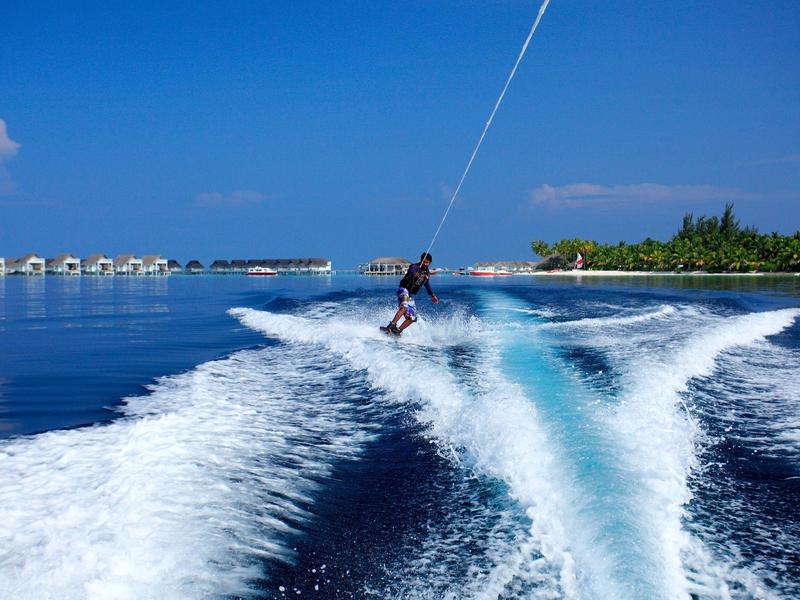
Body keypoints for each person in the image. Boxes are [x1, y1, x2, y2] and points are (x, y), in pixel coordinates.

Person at [383, 252, 439, 336]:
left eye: (427, 262)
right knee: (404, 307)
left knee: (412, 318)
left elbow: (427, 285)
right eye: (424, 262)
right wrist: (416, 275)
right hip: (403, 290)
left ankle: (398, 331)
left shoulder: (426, 273)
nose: (425, 264)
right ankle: (391, 325)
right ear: (421, 260)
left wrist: (432, 295)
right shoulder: (414, 267)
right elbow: (411, 273)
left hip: (411, 295)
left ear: (430, 263)